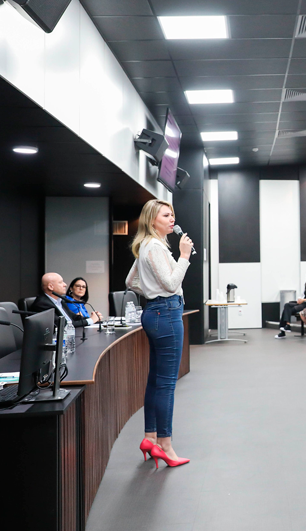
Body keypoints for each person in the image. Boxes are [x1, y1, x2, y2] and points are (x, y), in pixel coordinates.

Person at [125, 199, 193, 468]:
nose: (171, 218)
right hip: (166, 314)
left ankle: (150, 437)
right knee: (166, 384)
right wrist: (184, 256)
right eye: (166, 215)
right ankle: (165, 445)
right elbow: (172, 282)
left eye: (172, 214)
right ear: (152, 220)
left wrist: (152, 294)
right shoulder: (155, 247)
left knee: (156, 380)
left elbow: (130, 281)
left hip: (157, 312)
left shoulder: (148, 246)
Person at [32, 273, 102, 327]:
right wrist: (91, 320)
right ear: (50, 286)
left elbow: (73, 317)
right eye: (60, 282)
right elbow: (64, 325)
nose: (65, 284)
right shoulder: (42, 304)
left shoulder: (60, 301)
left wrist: (94, 318)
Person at [275, 272, 306, 339]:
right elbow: (302, 295)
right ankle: (287, 325)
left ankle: (284, 330)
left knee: (288, 310)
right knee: (287, 305)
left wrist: (303, 300)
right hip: (303, 302)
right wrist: (299, 300)